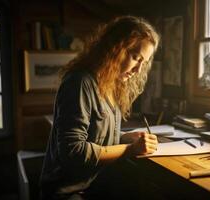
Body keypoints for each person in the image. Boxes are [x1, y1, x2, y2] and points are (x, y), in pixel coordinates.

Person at [40, 16, 160, 200]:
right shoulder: (80, 83)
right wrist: (129, 149)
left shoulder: (110, 85)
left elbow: (95, 135)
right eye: (136, 57)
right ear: (115, 48)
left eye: (143, 62)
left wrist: (124, 137)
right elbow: (74, 152)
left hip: (92, 187)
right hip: (66, 193)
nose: (138, 70)